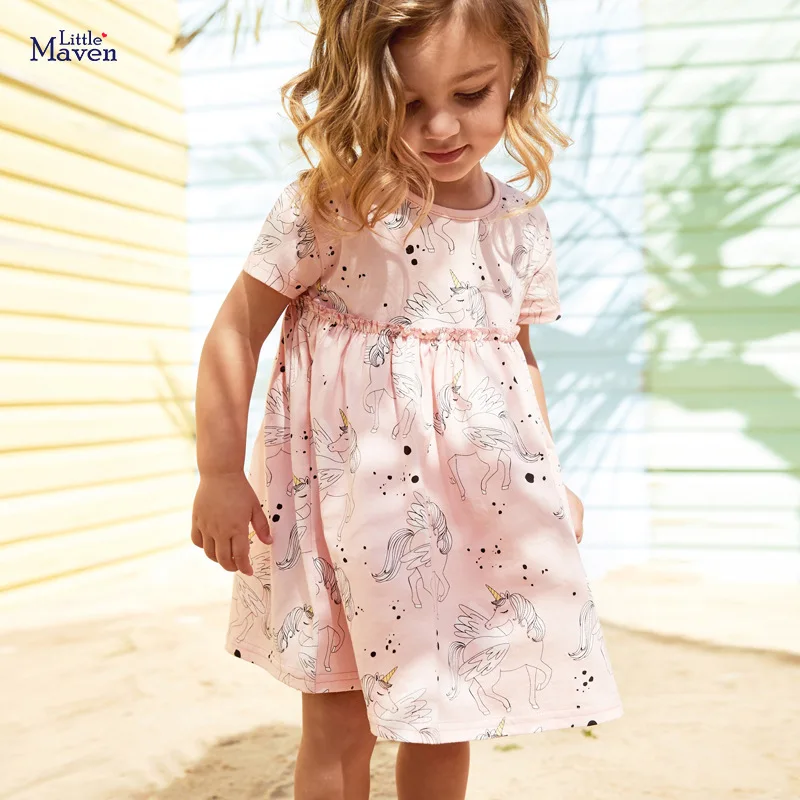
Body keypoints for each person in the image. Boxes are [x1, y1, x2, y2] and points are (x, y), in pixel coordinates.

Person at [191, 1, 623, 797]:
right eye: (407, 101)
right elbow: (236, 331)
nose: (441, 127)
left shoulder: (520, 227)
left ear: (517, 75)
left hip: (465, 525)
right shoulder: (334, 205)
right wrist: (218, 472)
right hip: (340, 513)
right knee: (338, 723)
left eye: (470, 94)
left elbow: (515, 362)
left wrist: (548, 483)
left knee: (447, 714)